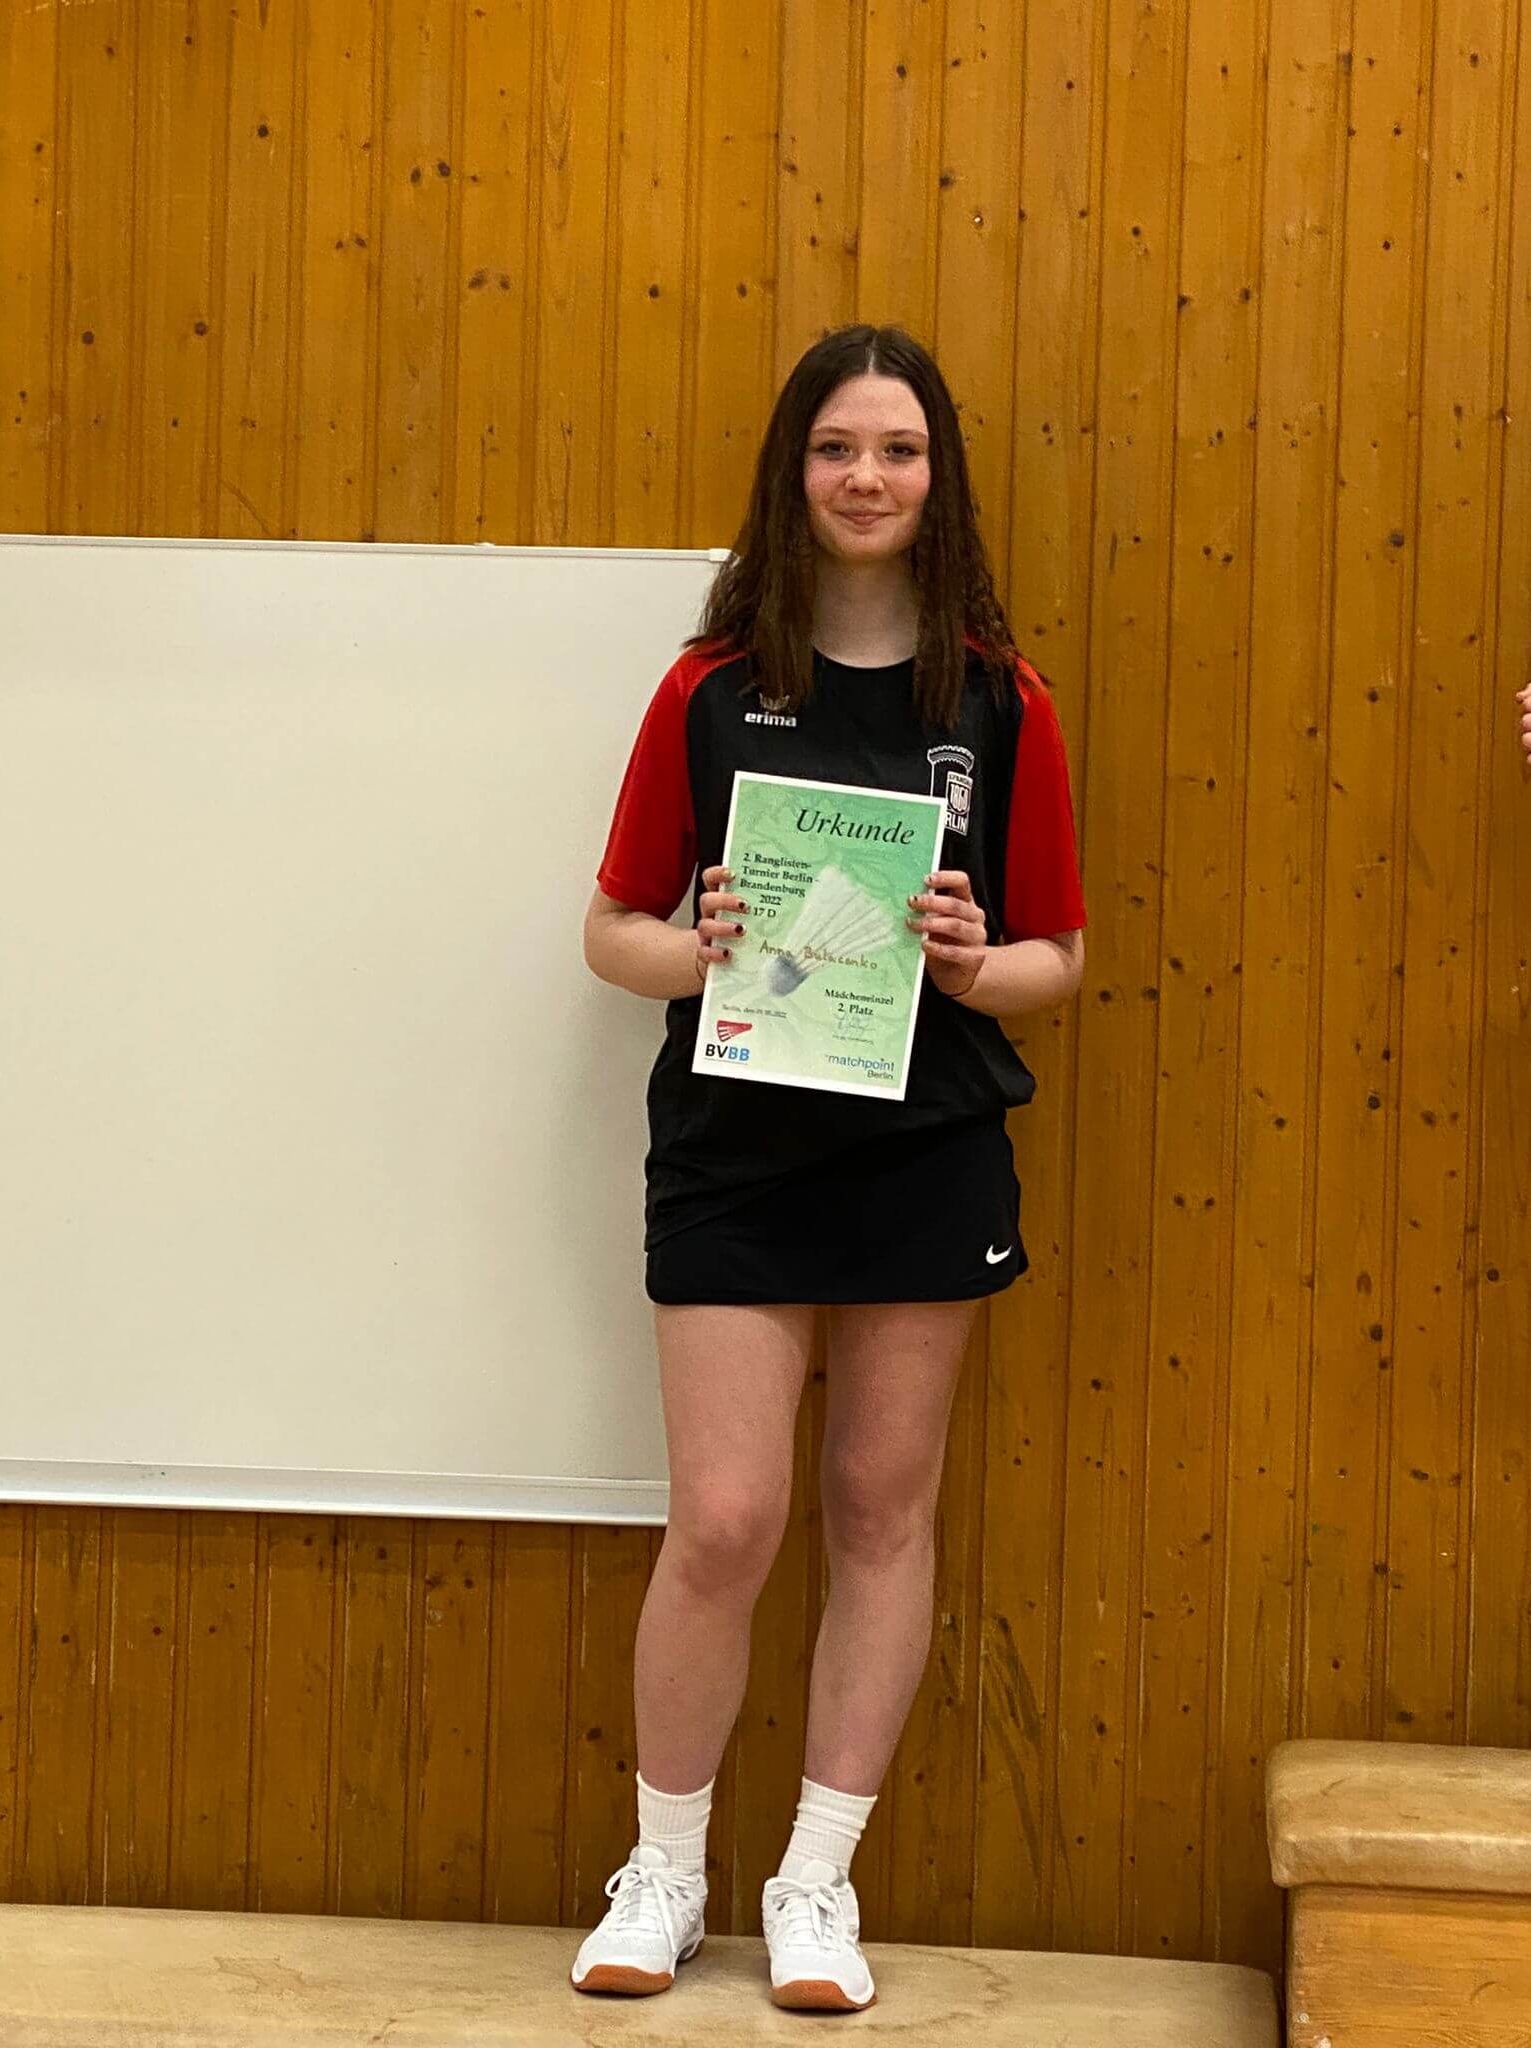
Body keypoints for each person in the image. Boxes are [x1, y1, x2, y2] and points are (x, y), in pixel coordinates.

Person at [573, 324, 1086, 2014]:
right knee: (726, 1519)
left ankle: (815, 1883)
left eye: (900, 449)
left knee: (879, 1509)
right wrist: (706, 944)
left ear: (941, 479)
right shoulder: (707, 689)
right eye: (838, 448)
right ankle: (663, 1874)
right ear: (793, 473)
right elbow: (612, 934)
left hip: (925, 1153)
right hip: (735, 1155)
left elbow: (1059, 961)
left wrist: (970, 962)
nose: (868, 477)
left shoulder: (1002, 700)